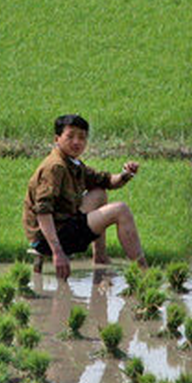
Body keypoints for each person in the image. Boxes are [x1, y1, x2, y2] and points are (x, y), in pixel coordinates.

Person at [23, 114, 147, 281]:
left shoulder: (73, 163)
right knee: (121, 210)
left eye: (82, 137)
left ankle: (100, 257)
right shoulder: (55, 167)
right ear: (57, 138)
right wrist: (58, 253)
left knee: (99, 193)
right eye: (70, 136)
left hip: (64, 224)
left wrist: (126, 174)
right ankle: (145, 273)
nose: (77, 142)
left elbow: (105, 180)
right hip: (50, 238)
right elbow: (43, 211)